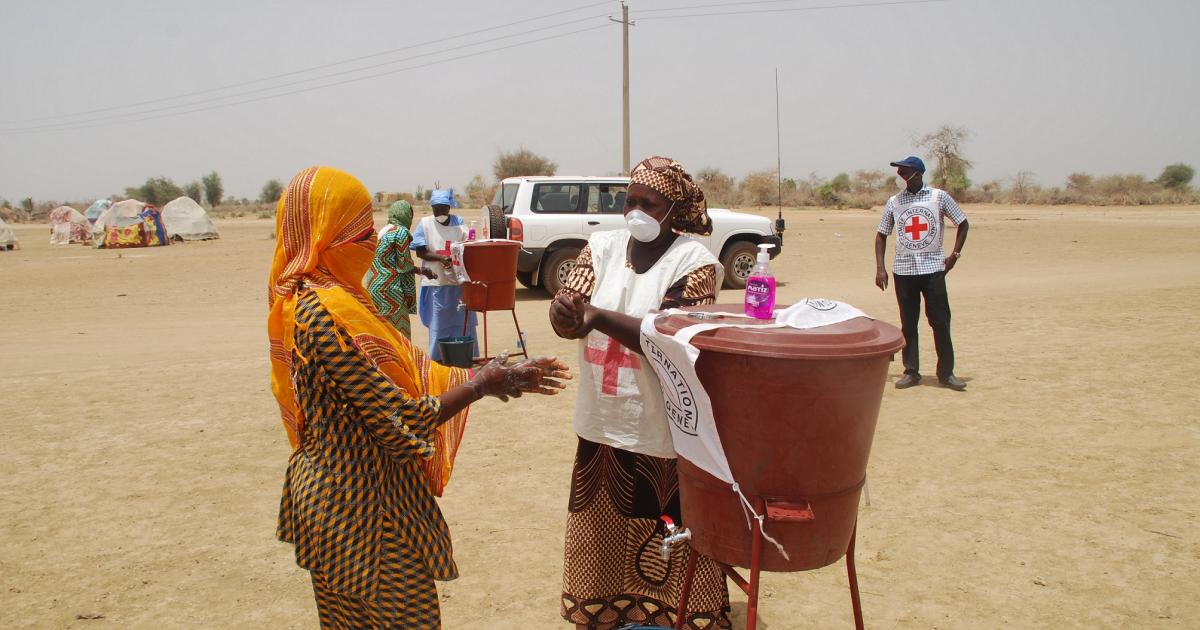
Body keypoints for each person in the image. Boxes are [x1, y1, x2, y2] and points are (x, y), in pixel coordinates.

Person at [267, 166, 570, 628]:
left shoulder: (329, 299)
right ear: (327, 235)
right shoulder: (324, 316)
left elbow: (410, 368)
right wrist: (483, 384)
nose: (372, 240)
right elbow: (401, 417)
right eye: (360, 231)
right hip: (360, 515)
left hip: (345, 501)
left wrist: (487, 375)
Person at [550, 156, 731, 629]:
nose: (635, 211)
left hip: (663, 427)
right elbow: (572, 301)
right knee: (603, 531)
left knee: (667, 530)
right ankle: (609, 614)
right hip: (603, 422)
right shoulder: (603, 247)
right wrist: (565, 314)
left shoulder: (696, 262)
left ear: (673, 210)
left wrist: (600, 318)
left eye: (648, 203)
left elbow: (674, 336)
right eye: (629, 201)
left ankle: (673, 616)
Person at [874, 155, 970, 391]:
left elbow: (963, 222)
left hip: (933, 270)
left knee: (940, 321)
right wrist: (880, 268)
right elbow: (881, 234)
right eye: (899, 173)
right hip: (904, 272)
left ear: (917, 173)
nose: (900, 177)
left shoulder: (938, 197)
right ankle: (911, 371)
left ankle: (946, 373)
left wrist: (954, 255)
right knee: (908, 323)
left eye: (904, 172)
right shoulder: (894, 202)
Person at [412, 188, 478, 361]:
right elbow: (420, 252)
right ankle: (438, 359)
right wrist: (441, 258)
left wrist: (455, 258)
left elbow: (468, 245)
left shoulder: (459, 222)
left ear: (449, 208)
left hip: (458, 281)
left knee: (462, 320)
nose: (440, 212)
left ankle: (466, 355)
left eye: (443, 208)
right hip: (436, 283)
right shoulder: (425, 224)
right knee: (439, 324)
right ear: (431, 208)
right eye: (436, 208)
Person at [367, 200, 436, 338]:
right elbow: (404, 265)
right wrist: (423, 271)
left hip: (373, 287)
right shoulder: (400, 232)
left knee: (383, 330)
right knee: (400, 332)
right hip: (390, 288)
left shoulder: (384, 230)